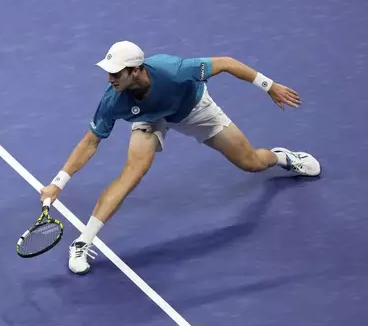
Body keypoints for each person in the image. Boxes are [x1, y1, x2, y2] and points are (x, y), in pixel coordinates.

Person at [39, 41, 321, 275]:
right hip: (150, 118)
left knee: (252, 163)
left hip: (195, 109)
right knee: (132, 173)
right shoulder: (114, 99)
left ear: (136, 71)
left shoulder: (174, 70)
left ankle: (282, 157)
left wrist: (268, 85)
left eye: (116, 73)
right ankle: (83, 242)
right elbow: (90, 142)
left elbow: (225, 62)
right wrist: (58, 184)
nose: (110, 78)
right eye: (109, 72)